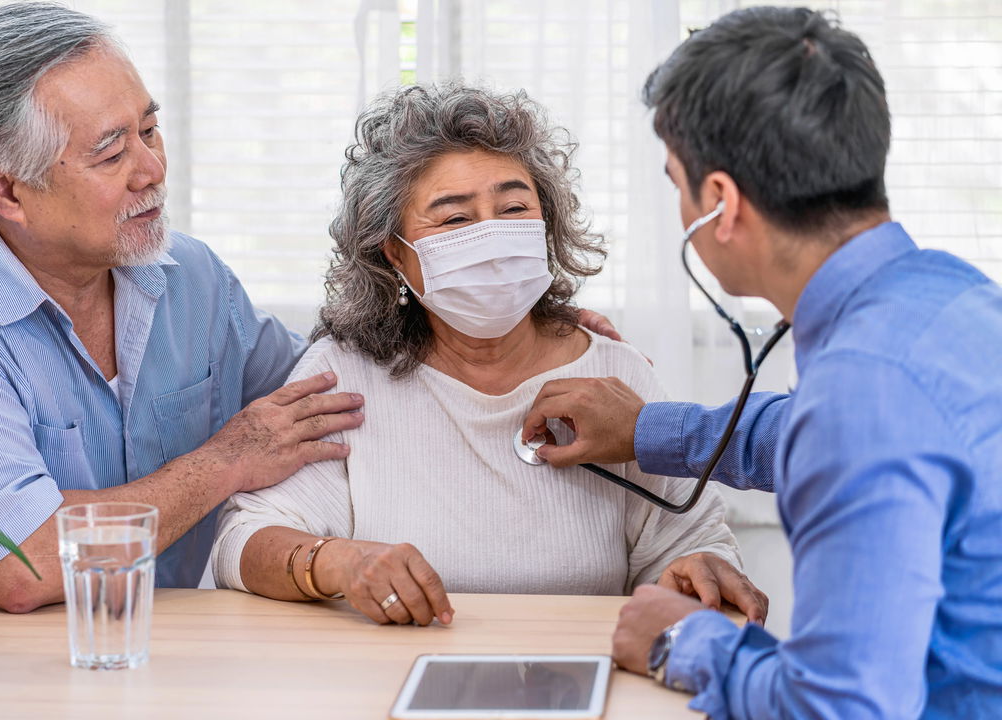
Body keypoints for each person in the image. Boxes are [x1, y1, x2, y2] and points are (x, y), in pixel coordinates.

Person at [522, 7, 1002, 718]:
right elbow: (816, 431)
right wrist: (649, 429)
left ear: (719, 202)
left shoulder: (862, 389)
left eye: (675, 181)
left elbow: (837, 708)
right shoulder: (949, 295)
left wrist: (680, 640)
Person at [0, 2, 365, 613]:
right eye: (111, 153)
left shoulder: (192, 277)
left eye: (149, 130)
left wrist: (504, 381)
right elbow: (25, 562)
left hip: (170, 652)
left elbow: (328, 399)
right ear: (6, 189)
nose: (152, 170)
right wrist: (229, 459)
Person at [209, 84, 767, 627]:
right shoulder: (346, 375)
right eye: (454, 219)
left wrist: (693, 570)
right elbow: (243, 542)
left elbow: (692, 547)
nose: (492, 237)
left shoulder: (615, 370)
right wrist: (338, 562)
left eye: (514, 207)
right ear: (395, 256)